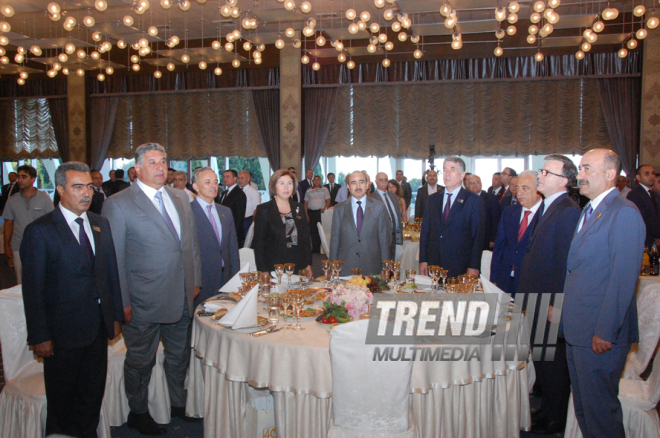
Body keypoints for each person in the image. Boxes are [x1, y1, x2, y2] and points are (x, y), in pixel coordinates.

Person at [102, 143, 202, 434]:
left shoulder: (180, 197)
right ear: (137, 169)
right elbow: (115, 258)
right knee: (140, 360)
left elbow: (190, 243)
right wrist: (122, 301)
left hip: (181, 294)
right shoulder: (119, 203)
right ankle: (138, 410)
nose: (160, 167)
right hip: (142, 300)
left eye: (163, 162)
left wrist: (194, 280)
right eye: (152, 162)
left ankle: (176, 403)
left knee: (179, 355)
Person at [21, 162, 124, 438]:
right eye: (78, 187)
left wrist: (113, 317)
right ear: (59, 190)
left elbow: (109, 273)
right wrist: (40, 334)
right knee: (63, 403)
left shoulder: (100, 224)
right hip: (62, 334)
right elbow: (33, 290)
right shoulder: (40, 231)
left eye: (89, 186)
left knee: (91, 395)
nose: (86, 193)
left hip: (97, 329)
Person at [562, 149, 644, 438]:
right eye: (579, 168)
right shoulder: (590, 209)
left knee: (601, 417)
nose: (579, 175)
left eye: (586, 169)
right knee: (586, 411)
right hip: (579, 330)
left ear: (610, 175)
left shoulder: (624, 213)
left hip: (599, 334)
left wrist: (606, 331)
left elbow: (623, 280)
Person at [517, 154, 581, 435]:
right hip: (535, 298)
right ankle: (547, 409)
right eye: (541, 170)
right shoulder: (549, 206)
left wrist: (558, 304)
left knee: (553, 363)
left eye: (546, 172)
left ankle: (558, 418)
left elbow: (566, 263)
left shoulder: (567, 211)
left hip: (549, 302)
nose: (539, 175)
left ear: (564, 181)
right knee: (541, 359)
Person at [419, 158, 485, 278]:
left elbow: (477, 236)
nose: (447, 173)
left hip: (460, 265)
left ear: (462, 175)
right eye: (445, 169)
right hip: (434, 265)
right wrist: (423, 259)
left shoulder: (473, 200)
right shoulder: (433, 199)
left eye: (452, 169)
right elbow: (425, 232)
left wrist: (473, 265)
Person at [191, 168, 240, 308]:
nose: (213, 186)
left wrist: (236, 278)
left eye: (215, 182)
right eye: (207, 182)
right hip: (201, 281)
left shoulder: (225, 211)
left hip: (225, 280)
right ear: (195, 187)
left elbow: (232, 248)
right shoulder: (187, 212)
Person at [252, 169, 312, 276]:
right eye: (282, 183)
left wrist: (308, 264)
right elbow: (259, 244)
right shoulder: (264, 209)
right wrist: (263, 270)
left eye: (289, 183)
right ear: (274, 186)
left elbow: (305, 239)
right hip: (274, 266)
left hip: (298, 264)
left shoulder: (298, 208)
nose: (286, 187)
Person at [490, 171, 541, 296]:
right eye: (518, 188)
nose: (519, 193)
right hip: (505, 281)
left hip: (533, 285)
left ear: (539, 189)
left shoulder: (547, 215)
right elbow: (499, 247)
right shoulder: (509, 212)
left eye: (525, 188)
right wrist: (494, 279)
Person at [330, 171, 390, 276]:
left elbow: (384, 239)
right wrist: (332, 266)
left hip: (372, 266)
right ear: (348, 186)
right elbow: (335, 240)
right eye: (353, 183)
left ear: (367, 185)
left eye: (361, 182)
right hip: (346, 266)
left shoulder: (379, 207)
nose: (358, 186)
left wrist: (385, 266)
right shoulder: (339, 209)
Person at [3, 165, 54, 284]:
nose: (19, 180)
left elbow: (52, 223)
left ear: (33, 179)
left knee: (40, 279)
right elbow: (8, 224)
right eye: (18, 176)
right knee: (21, 281)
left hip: (40, 246)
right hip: (18, 245)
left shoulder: (44, 198)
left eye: (24, 177)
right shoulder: (12, 200)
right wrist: (6, 245)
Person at [369, 172, 403, 260]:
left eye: (386, 179)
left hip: (394, 235)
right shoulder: (371, 198)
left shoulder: (393, 196)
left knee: (391, 261)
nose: (384, 182)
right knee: (382, 262)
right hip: (381, 237)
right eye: (381, 180)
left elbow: (397, 214)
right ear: (376, 182)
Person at [626, 164, 660, 249]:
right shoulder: (634, 195)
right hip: (646, 240)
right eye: (647, 174)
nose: (651, 176)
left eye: (653, 173)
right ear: (638, 177)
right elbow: (644, 219)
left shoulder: (655, 194)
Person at [466, 174, 501, 250]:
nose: (474, 185)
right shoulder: (464, 199)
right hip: (468, 239)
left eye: (477, 182)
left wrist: (493, 239)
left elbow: (496, 220)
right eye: (471, 183)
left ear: (481, 184)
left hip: (486, 239)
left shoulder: (491, 198)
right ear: (467, 186)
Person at [219, 169, 247, 247]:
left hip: (233, 232)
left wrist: (235, 234)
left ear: (235, 178)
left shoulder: (239, 194)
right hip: (224, 230)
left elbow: (239, 217)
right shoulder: (224, 193)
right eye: (224, 177)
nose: (225, 179)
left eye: (228, 176)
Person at [304, 175, 330, 253]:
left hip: (320, 213)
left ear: (320, 181)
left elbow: (328, 200)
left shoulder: (324, 189)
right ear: (312, 181)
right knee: (312, 231)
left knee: (320, 230)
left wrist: (325, 208)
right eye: (314, 180)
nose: (316, 181)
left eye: (318, 180)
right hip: (311, 213)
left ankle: (321, 249)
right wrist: (306, 214)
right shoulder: (308, 190)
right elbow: (305, 203)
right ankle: (315, 249)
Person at [239, 170, 261, 240]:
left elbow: (256, 209)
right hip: (239, 220)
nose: (240, 180)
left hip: (248, 220)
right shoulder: (238, 191)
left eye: (242, 178)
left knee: (247, 240)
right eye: (238, 178)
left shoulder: (253, 192)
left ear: (248, 179)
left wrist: (253, 223)